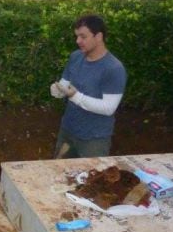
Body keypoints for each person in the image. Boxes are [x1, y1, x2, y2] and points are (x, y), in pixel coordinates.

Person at [49, 14, 127, 158]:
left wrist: (75, 96)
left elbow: (108, 108)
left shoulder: (114, 68)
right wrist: (58, 91)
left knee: (91, 179)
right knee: (58, 174)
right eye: (77, 36)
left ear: (98, 37)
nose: (78, 41)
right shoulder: (75, 57)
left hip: (94, 140)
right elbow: (64, 84)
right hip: (68, 131)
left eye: (83, 37)